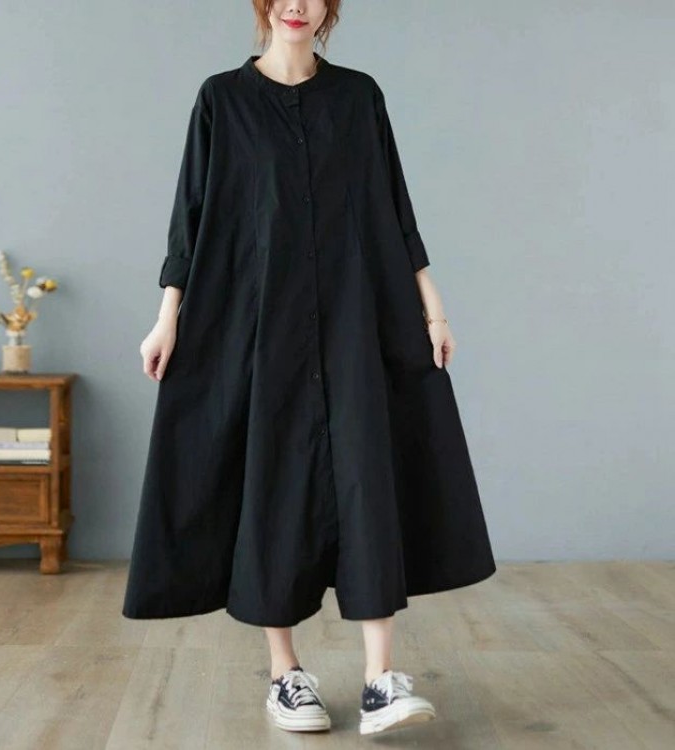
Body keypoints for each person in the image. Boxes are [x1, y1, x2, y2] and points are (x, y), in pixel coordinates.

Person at [123, 0, 497, 737]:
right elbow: (190, 216)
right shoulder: (222, 100)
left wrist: (434, 309)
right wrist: (168, 316)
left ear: (330, 7)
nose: (296, 3)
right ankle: (285, 676)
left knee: (367, 476)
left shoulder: (358, 97)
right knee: (273, 482)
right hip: (260, 326)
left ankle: (379, 680)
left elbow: (395, 207)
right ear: (264, 5)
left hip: (358, 319)